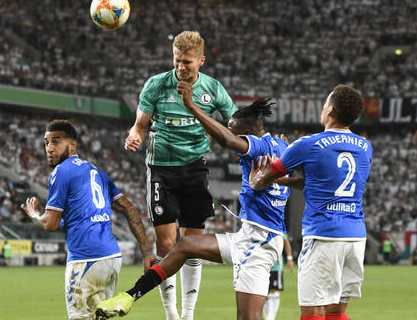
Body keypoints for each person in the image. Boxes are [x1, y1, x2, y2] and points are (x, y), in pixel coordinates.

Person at [97, 97, 295, 320]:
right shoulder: (282, 146)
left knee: (249, 318)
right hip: (250, 236)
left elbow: (228, 140)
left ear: (247, 131)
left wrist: (193, 108)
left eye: (233, 130)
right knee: (185, 245)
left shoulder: (257, 145)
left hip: (258, 243)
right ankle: (129, 296)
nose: (230, 133)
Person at [123, 30, 238, 320]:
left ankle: (188, 315)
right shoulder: (157, 85)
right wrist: (134, 135)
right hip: (161, 168)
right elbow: (140, 125)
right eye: (177, 61)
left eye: (187, 62)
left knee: (194, 244)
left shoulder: (213, 89)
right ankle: (172, 314)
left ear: (201, 60)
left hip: (195, 168)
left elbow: (235, 123)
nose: (181, 67)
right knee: (165, 243)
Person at [249, 85, 372, 320]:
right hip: (355, 237)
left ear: (331, 110)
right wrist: (287, 182)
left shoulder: (308, 144)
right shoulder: (365, 147)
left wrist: (257, 181)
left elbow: (266, 177)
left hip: (324, 235)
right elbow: (321, 182)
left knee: (312, 312)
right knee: (337, 312)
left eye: (326, 103)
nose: (323, 107)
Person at [20, 119, 155, 320]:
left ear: (72, 145)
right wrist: (146, 253)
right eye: (46, 143)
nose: (49, 148)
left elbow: (50, 224)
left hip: (86, 260)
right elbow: (129, 209)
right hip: (112, 259)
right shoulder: (97, 173)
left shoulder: (62, 171)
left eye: (56, 142)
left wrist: (34, 215)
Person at [263, 235, 294, 320]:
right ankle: (267, 317)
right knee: (263, 292)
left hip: (275, 265)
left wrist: (289, 258)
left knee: (274, 290)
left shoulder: (277, 224)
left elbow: (286, 241)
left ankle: (270, 318)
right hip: (262, 264)